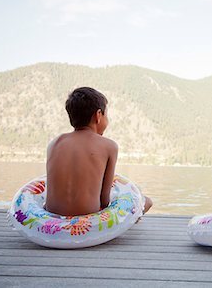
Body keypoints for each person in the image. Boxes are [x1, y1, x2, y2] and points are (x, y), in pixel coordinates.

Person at [45, 87, 153, 216]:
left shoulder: (54, 143)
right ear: (98, 115)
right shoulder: (109, 146)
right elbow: (104, 201)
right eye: (106, 115)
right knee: (147, 202)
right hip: (89, 225)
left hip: (52, 223)